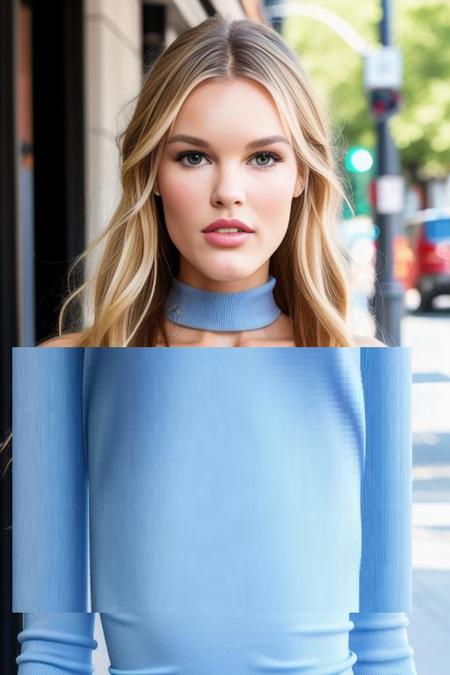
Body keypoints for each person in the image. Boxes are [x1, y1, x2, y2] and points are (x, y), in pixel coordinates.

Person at [12, 15, 416, 675]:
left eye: (263, 156)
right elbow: (52, 653)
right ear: (151, 171)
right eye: (193, 155)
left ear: (299, 174)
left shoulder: (366, 372)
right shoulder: (65, 372)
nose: (228, 190)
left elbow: (384, 650)